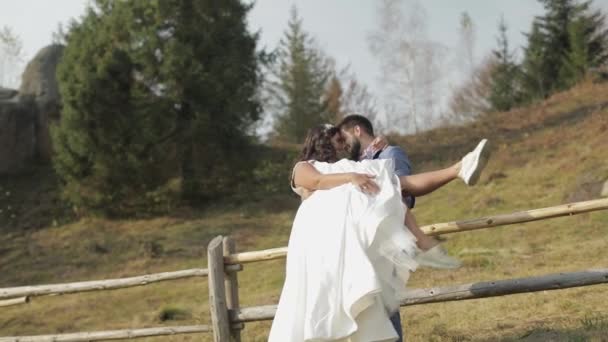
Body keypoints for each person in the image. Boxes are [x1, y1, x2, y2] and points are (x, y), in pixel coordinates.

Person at [269, 125, 489, 341]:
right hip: (322, 248)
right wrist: (350, 177)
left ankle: (459, 168)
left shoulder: (352, 167)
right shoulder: (306, 167)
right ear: (322, 142)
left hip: (352, 246)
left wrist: (370, 155)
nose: (343, 146)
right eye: (339, 141)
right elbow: (316, 181)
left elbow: (399, 185)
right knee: (321, 307)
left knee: (393, 184)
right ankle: (421, 239)